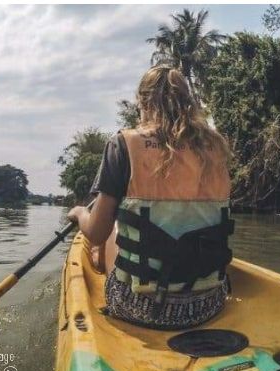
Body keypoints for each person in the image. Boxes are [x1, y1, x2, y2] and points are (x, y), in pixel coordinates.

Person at [67, 65, 233, 330]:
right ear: (187, 102)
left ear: (143, 102)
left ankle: (103, 261)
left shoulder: (125, 143)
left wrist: (78, 213)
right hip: (209, 304)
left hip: (141, 307)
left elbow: (96, 233)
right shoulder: (216, 147)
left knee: (118, 224)